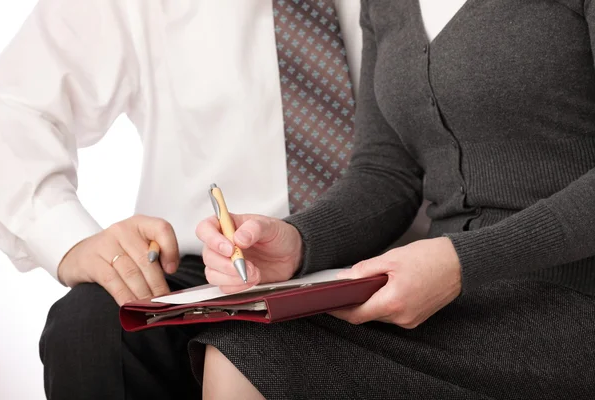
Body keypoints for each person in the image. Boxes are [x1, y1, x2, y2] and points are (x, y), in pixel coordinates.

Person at [0, 0, 426, 399]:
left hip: (401, 256)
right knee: (91, 328)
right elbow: (13, 108)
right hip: (215, 268)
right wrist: (65, 236)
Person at [193, 0, 595, 398]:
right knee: (245, 338)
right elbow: (385, 173)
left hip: (573, 295)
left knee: (256, 352)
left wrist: (462, 262)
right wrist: (299, 242)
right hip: (456, 299)